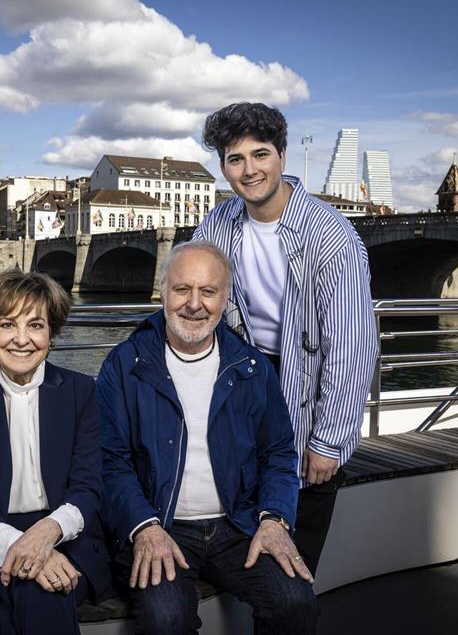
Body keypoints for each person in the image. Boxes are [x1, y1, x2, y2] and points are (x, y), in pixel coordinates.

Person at [98, 241, 318, 635]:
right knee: (166, 619)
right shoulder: (125, 364)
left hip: (238, 524)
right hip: (161, 523)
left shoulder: (251, 367)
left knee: (294, 602)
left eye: (208, 291)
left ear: (225, 298)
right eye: (182, 289)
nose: (194, 304)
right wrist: (144, 527)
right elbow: (110, 460)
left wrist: (273, 519)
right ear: (163, 292)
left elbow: (279, 453)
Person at [195, 102, 378, 574]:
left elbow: (352, 347)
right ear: (223, 167)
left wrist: (329, 442)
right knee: (248, 541)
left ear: (281, 155)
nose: (249, 170)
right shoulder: (218, 224)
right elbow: (192, 294)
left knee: (292, 567)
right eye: (235, 160)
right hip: (251, 386)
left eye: (260, 155)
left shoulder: (328, 235)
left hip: (310, 388)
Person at [0, 270, 110, 635]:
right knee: (37, 587)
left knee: (32, 592)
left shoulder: (80, 393)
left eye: (36, 325)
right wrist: (26, 549)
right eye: (8, 324)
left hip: (66, 535)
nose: (22, 340)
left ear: (52, 333)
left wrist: (47, 533)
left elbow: (88, 487)